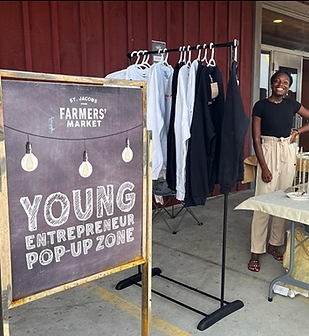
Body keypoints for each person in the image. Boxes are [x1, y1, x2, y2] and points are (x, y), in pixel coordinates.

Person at [248, 70, 309, 272]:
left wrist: (297, 132)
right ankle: (255, 251)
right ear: (272, 84)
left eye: (285, 82)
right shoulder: (261, 105)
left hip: (287, 150)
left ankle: (273, 244)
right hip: (268, 150)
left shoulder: (292, 104)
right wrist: (264, 166)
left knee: (283, 201)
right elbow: (256, 139)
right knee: (263, 202)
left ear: (289, 87)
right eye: (277, 81)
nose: (280, 84)